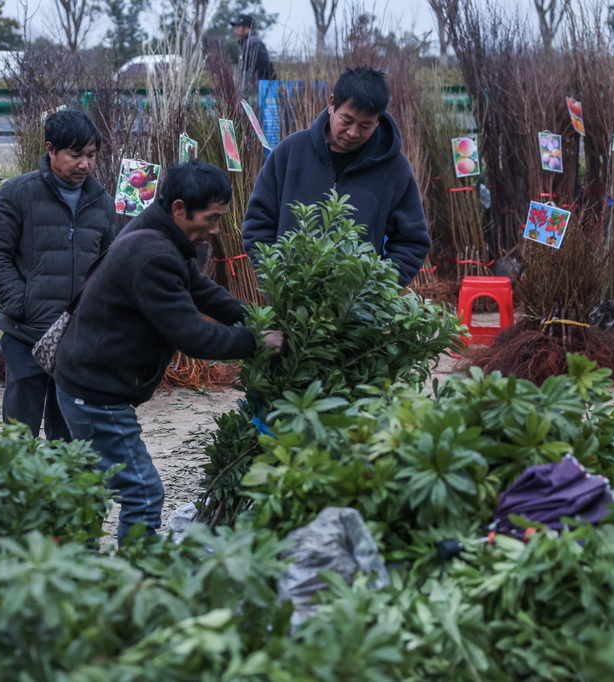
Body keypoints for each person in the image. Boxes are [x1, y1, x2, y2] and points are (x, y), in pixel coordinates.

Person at [53, 160, 285, 546]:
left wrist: (255, 319)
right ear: (180, 208)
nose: (215, 228)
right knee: (143, 493)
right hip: (95, 392)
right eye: (212, 218)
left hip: (88, 379)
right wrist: (258, 342)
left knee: (93, 484)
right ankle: (137, 572)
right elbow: (192, 335)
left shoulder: (160, 231)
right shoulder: (153, 254)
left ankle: (77, 563)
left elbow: (202, 291)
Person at [0, 109, 118, 440]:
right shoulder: (17, 193)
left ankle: (62, 476)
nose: (85, 164)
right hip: (25, 331)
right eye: (75, 154)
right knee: (20, 430)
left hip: (76, 337)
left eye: (91, 155)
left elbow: (108, 265)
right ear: (51, 149)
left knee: (68, 430)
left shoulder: (102, 203)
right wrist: (22, 303)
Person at [241, 67, 431, 286]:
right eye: (346, 120)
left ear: (378, 120)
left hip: (355, 303)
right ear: (332, 103)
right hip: (289, 297)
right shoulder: (291, 152)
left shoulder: (395, 169)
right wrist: (277, 278)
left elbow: (412, 242)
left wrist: (376, 288)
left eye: (365, 125)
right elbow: (258, 223)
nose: (353, 133)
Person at [230, 13, 277, 91]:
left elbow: (266, 67)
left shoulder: (252, 43)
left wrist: (269, 87)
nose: (235, 30)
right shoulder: (246, 43)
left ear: (247, 27)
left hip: (256, 89)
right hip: (251, 88)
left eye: (238, 27)